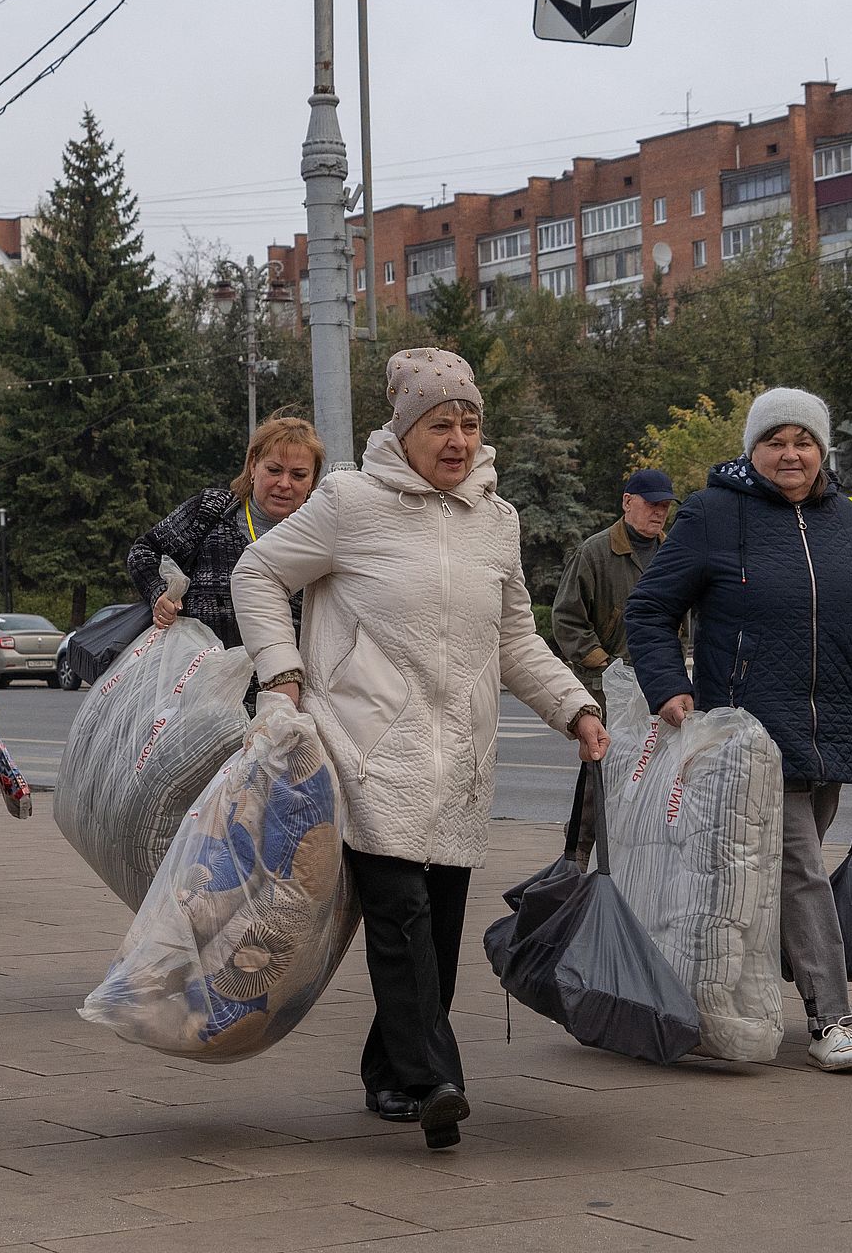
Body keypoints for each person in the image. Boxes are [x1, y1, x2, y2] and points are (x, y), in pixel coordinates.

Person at [233, 347, 609, 1150]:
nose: (459, 439)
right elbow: (258, 573)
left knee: (436, 930)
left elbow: (515, 639)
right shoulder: (348, 503)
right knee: (399, 917)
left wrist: (574, 707)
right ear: (405, 431)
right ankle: (436, 1079)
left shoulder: (495, 521)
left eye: (471, 423)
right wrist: (284, 676)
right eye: (442, 423)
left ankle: (388, 1074)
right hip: (367, 747)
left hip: (462, 757)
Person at [626, 386, 852, 1074]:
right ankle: (831, 1020)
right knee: (800, 869)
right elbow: (649, 611)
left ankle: (704, 996)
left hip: (834, 730)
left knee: (774, 878)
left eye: (803, 441)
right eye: (776, 441)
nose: (791, 454)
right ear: (753, 451)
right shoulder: (712, 515)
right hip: (749, 738)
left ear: (821, 450)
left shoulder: (846, 520)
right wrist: (670, 689)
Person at [553, 466, 677, 866]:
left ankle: (633, 857)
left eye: (664, 506)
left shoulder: (672, 552)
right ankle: (575, 860)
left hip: (656, 684)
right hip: (606, 685)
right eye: (651, 504)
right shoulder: (596, 552)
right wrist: (605, 666)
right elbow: (567, 619)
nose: (659, 513)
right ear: (627, 502)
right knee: (598, 775)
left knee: (648, 774)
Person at [127, 416, 323, 649]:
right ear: (253, 466)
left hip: (284, 682)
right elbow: (144, 551)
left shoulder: (322, 536)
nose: (284, 483)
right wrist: (159, 592)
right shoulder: (210, 509)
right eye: (274, 470)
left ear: (312, 480)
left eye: (298, 475)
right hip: (199, 676)